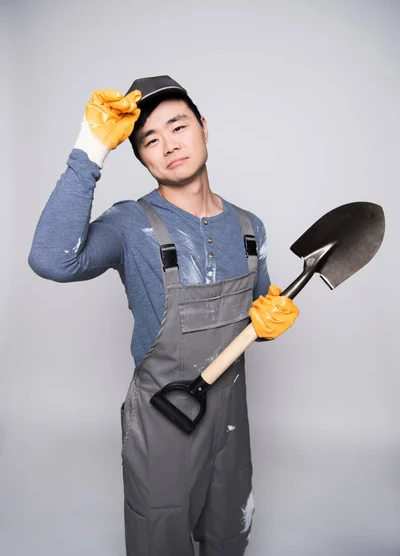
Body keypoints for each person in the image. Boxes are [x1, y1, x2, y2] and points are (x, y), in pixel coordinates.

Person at [28, 75, 299, 556]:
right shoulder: (130, 224)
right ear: (139, 158)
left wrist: (271, 323)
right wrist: (91, 150)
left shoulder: (248, 227)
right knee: (161, 538)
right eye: (150, 139)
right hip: (163, 420)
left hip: (231, 421)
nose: (169, 144)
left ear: (204, 128)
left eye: (178, 126)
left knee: (229, 535)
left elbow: (254, 319)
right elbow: (51, 258)